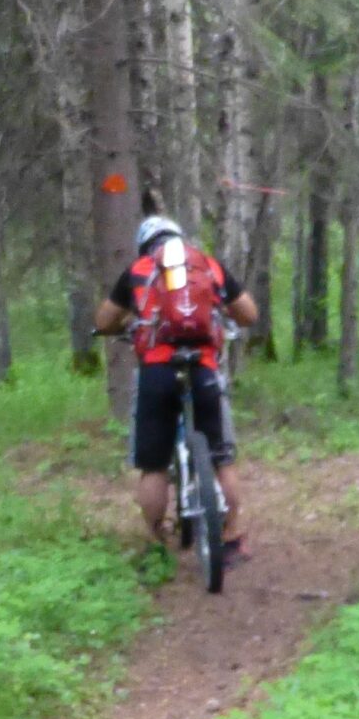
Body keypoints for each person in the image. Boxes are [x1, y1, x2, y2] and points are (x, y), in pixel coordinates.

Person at [94, 216, 258, 561]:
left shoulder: (139, 270)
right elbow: (249, 314)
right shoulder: (209, 265)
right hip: (203, 366)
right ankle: (229, 536)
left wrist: (127, 322)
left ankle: (155, 543)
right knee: (222, 458)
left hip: (157, 369)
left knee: (153, 466)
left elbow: (104, 321)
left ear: (146, 245)